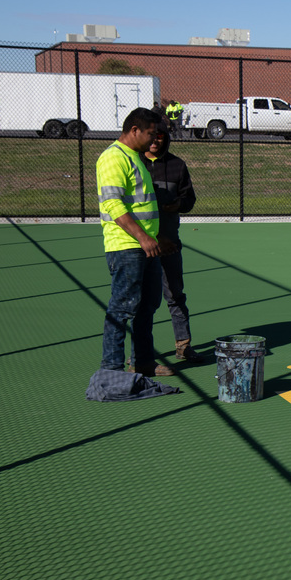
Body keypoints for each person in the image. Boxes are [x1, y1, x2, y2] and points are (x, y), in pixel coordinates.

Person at [96, 107, 173, 377]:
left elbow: (142, 205)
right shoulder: (113, 158)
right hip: (126, 246)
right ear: (134, 130)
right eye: (150, 134)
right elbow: (113, 204)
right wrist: (141, 237)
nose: (154, 139)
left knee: (147, 305)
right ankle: (112, 368)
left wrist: (156, 237)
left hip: (145, 246)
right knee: (123, 306)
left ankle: (142, 361)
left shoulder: (136, 157)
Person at [144, 120, 204, 362]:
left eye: (161, 135)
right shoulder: (136, 164)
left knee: (175, 294)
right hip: (143, 245)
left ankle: (183, 344)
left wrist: (178, 204)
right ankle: (140, 353)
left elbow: (189, 198)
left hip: (170, 243)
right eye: (153, 135)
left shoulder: (177, 165)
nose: (156, 140)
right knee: (145, 300)